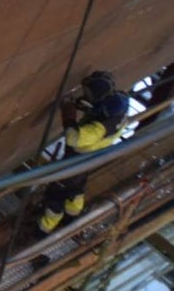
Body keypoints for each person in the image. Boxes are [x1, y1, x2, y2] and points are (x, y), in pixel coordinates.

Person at [37, 71, 130, 236]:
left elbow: (73, 138)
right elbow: (100, 111)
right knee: (76, 190)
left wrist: (68, 113)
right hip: (90, 159)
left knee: (55, 196)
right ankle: (72, 218)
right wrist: (88, 107)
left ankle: (43, 231)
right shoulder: (120, 104)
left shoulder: (97, 130)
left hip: (76, 159)